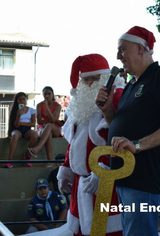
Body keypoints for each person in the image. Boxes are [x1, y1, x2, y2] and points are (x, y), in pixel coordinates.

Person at [95, 26, 160, 235]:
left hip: (144, 180)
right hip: (126, 178)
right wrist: (108, 110)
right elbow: (119, 125)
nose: (118, 56)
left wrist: (136, 145)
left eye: (122, 49)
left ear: (139, 49)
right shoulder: (132, 84)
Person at [57, 53, 124, 236]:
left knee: (108, 232)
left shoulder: (117, 97)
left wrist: (103, 168)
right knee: (80, 232)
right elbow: (74, 142)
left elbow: (120, 137)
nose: (89, 84)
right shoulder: (80, 104)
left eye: (95, 78)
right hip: (81, 184)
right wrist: (66, 169)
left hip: (107, 181)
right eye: (86, 79)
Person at [28, 86, 62, 167]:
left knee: (49, 126)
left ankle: (38, 148)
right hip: (42, 129)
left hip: (55, 129)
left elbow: (53, 121)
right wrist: (50, 120)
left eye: (49, 94)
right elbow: (39, 121)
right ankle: (49, 161)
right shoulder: (39, 105)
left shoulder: (58, 106)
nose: (47, 96)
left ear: (53, 94)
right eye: (45, 94)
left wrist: (46, 108)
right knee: (48, 132)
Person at [5, 92, 38, 168]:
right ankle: (10, 160)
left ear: (26, 100)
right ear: (17, 101)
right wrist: (18, 116)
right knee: (15, 135)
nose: (22, 101)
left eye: (24, 99)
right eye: (20, 99)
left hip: (27, 130)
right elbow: (16, 125)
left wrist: (21, 123)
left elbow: (33, 124)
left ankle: (27, 155)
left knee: (35, 135)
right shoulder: (15, 111)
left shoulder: (31, 110)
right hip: (17, 130)